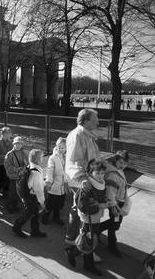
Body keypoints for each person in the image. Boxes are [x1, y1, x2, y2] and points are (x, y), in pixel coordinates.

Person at [64, 108, 103, 265]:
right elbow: (75, 162)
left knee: (79, 215)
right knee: (85, 216)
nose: (98, 121)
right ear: (86, 120)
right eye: (95, 119)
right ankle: (82, 248)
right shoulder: (78, 135)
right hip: (83, 183)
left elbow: (92, 159)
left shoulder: (87, 135)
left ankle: (75, 244)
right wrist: (83, 181)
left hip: (88, 181)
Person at [75, 160, 110, 276]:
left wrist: (106, 202)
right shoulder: (88, 185)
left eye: (103, 173)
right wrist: (100, 205)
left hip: (94, 217)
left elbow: (99, 197)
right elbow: (83, 204)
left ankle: (73, 251)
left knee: (89, 239)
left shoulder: (99, 183)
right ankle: (88, 265)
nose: (101, 176)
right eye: (98, 173)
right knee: (88, 241)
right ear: (90, 173)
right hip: (88, 218)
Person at [99, 150, 130, 258]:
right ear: (116, 160)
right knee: (114, 225)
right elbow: (109, 192)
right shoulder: (113, 174)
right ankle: (112, 246)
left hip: (119, 201)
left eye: (125, 164)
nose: (123, 165)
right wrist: (113, 207)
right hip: (115, 204)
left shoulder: (118, 170)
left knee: (114, 223)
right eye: (121, 162)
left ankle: (97, 230)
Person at [12, 149, 47, 238]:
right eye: (42, 157)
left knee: (35, 214)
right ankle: (16, 227)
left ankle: (35, 231)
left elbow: (34, 182)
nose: (43, 159)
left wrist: (43, 182)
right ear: (38, 159)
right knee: (28, 214)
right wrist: (42, 202)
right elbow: (38, 190)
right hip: (32, 197)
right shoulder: (36, 173)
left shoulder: (30, 167)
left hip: (27, 194)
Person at [43, 137, 69, 226]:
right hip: (54, 184)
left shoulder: (66, 157)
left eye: (63, 148)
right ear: (56, 147)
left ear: (66, 148)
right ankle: (45, 216)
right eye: (59, 147)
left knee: (60, 204)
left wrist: (67, 181)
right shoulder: (53, 158)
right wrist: (49, 182)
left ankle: (56, 217)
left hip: (63, 185)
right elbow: (50, 170)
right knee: (50, 203)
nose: (61, 149)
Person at [4, 136, 28, 213]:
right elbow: (7, 165)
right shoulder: (9, 154)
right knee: (12, 192)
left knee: (18, 192)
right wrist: (16, 169)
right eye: (16, 144)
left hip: (21, 176)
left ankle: (15, 205)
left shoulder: (23, 153)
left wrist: (23, 168)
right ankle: (9, 206)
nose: (18, 145)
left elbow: (27, 164)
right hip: (13, 176)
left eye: (20, 144)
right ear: (13, 144)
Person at [0, 127, 13, 198]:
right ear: (5, 134)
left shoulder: (10, 142)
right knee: (2, 178)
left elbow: (12, 151)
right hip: (1, 163)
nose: (10, 134)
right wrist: (5, 156)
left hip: (8, 163)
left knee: (8, 178)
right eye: (9, 133)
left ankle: (5, 191)